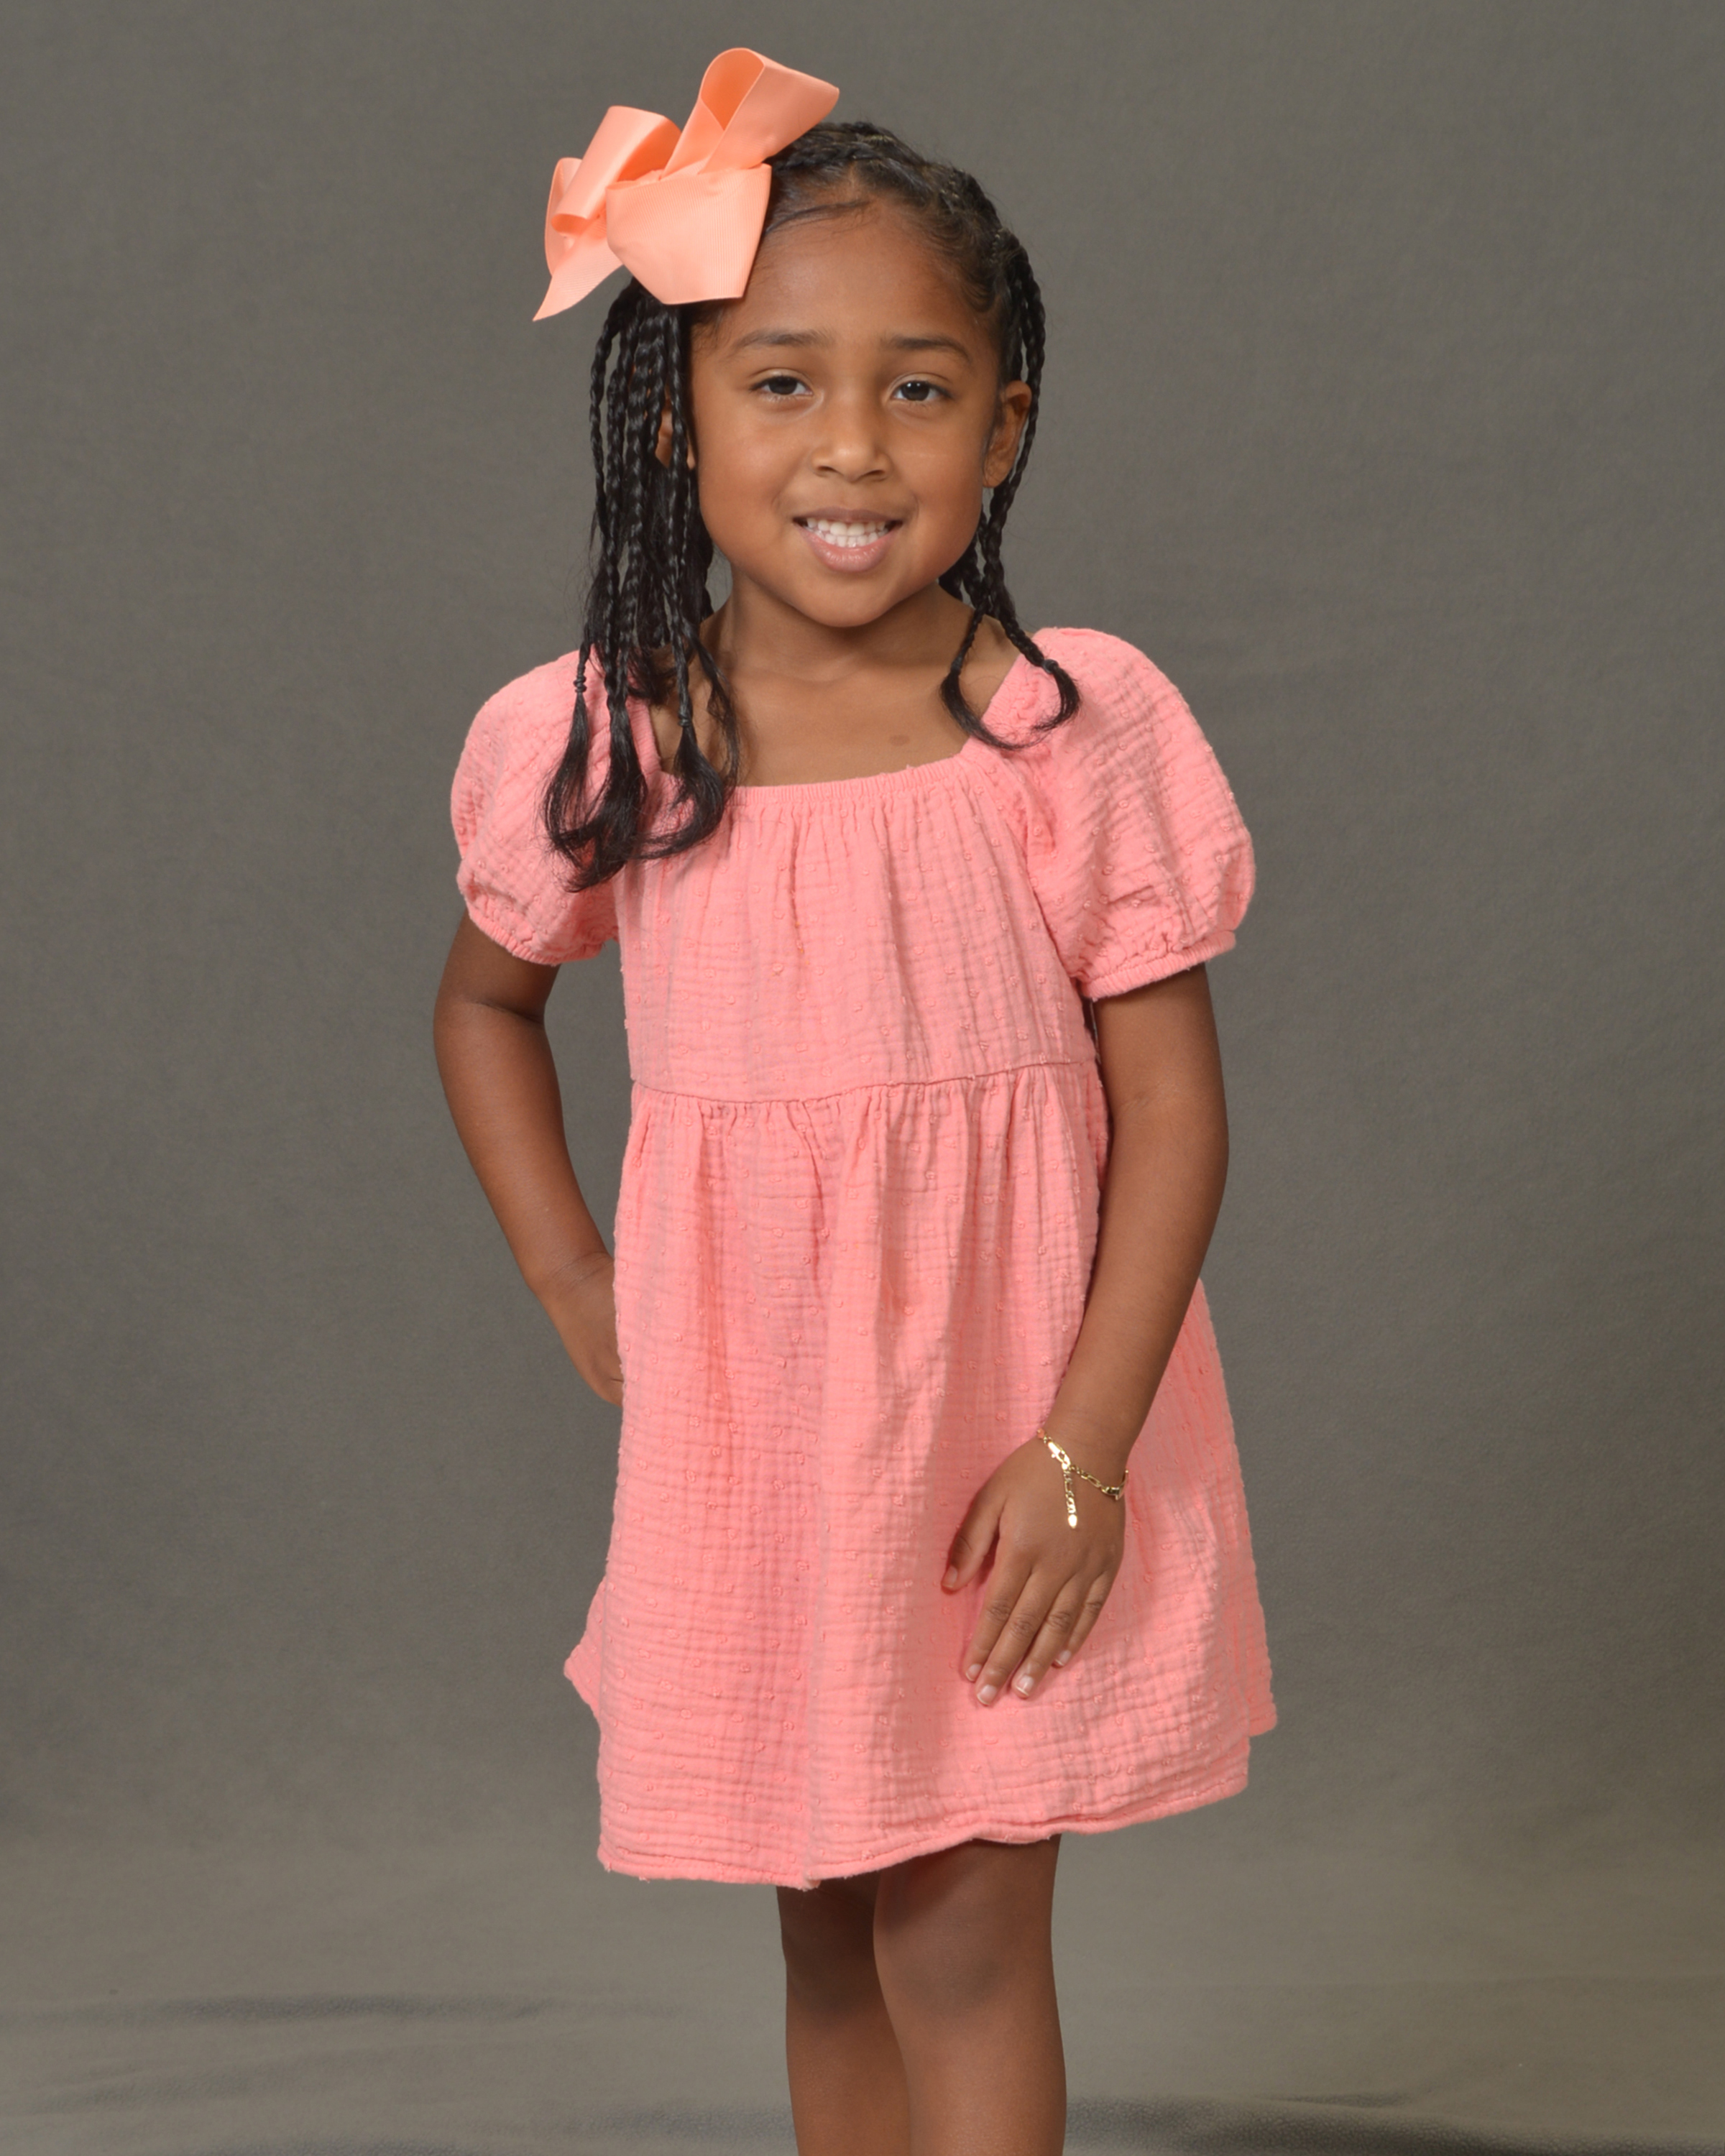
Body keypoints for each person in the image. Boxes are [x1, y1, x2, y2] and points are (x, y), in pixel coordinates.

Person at [433, 49, 1274, 2156]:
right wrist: (576, 1279)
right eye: (783, 382)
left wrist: (1084, 1448)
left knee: (964, 1940)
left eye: (918, 389)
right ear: (676, 421)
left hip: (1013, 1437)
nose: (851, 445)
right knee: (825, 1937)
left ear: (1006, 424)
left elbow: (1175, 1120)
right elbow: (485, 1006)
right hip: (772, 1451)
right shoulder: (615, 740)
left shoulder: (1064, 733)